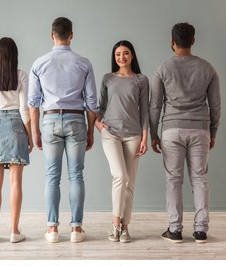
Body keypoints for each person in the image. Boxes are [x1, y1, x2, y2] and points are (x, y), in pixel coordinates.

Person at [28, 17, 98, 243]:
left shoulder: (39, 64)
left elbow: (33, 102)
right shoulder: (84, 63)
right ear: (71, 35)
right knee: (76, 175)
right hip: (77, 120)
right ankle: (76, 229)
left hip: (49, 120)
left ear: (52, 35)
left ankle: (52, 229)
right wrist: (90, 132)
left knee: (52, 176)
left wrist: (36, 132)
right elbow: (92, 102)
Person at [149, 22, 221, 243]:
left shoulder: (162, 69)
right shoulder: (208, 68)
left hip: (172, 129)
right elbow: (216, 105)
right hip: (200, 129)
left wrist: (153, 133)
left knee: (174, 179)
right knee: (200, 178)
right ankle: (200, 231)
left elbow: (155, 105)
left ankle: (175, 230)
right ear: (193, 41)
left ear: (172, 42)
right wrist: (213, 131)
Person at [95, 40, 149, 243]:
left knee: (130, 183)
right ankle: (115, 224)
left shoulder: (141, 80)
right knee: (120, 176)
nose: (122, 57)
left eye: (125, 53)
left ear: (132, 55)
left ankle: (125, 228)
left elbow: (144, 111)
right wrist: (98, 126)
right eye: (118, 54)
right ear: (114, 57)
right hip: (111, 134)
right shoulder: (108, 78)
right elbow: (100, 106)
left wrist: (145, 137)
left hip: (133, 135)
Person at [0, 37, 33, 243]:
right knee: (15, 182)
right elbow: (24, 109)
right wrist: (30, 134)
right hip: (16, 126)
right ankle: (14, 231)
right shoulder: (21, 75)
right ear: (15, 55)